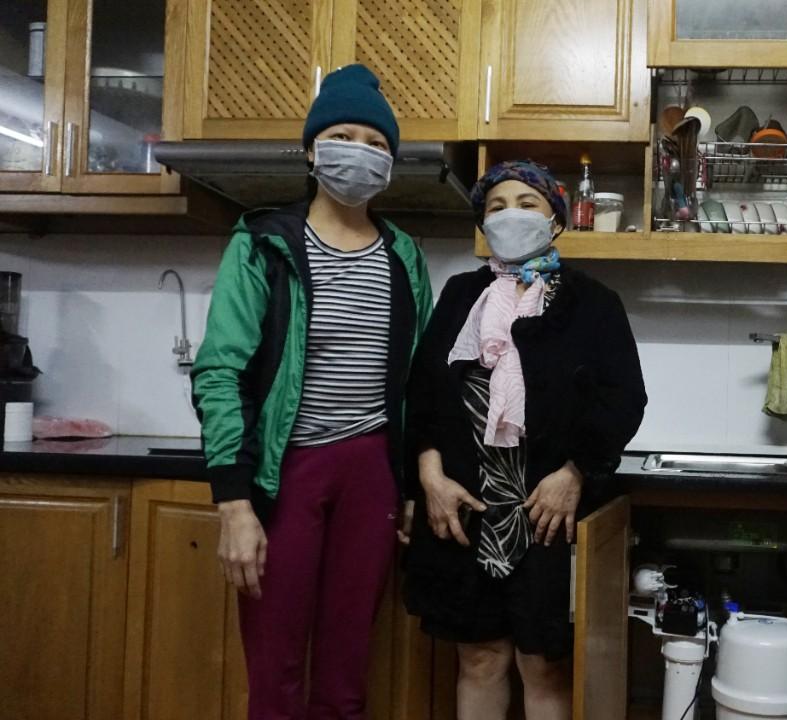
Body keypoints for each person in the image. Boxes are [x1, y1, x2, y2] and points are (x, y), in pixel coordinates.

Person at [192, 64, 432, 718]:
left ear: (391, 162)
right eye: (343, 136)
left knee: (346, 677)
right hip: (285, 472)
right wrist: (234, 503)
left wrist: (410, 484)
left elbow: (419, 383)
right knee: (275, 674)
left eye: (376, 143)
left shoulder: (403, 256)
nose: (360, 151)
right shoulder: (263, 243)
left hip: (372, 474)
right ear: (311, 151)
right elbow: (220, 370)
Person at [400, 160, 646, 720]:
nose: (510, 215)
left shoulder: (593, 302)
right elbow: (425, 392)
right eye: (496, 206)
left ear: (556, 220)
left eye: (527, 203)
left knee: (543, 664)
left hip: (546, 514)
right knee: (479, 658)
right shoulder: (460, 294)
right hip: (463, 509)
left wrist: (575, 473)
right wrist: (428, 477)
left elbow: (623, 399)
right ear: (482, 224)